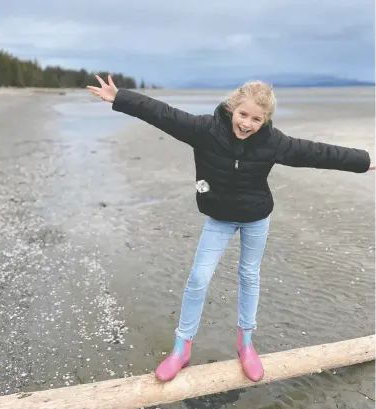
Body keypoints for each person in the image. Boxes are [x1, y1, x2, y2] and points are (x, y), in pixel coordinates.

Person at [87, 75, 374, 383]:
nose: (247, 123)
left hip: (255, 218)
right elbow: (162, 113)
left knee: (249, 276)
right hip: (219, 218)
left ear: (265, 121)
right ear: (231, 108)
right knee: (198, 277)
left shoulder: (273, 142)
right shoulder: (205, 131)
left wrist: (365, 161)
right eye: (243, 114)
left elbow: (317, 152)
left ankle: (246, 344)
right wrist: (120, 97)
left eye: (256, 119)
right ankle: (181, 348)